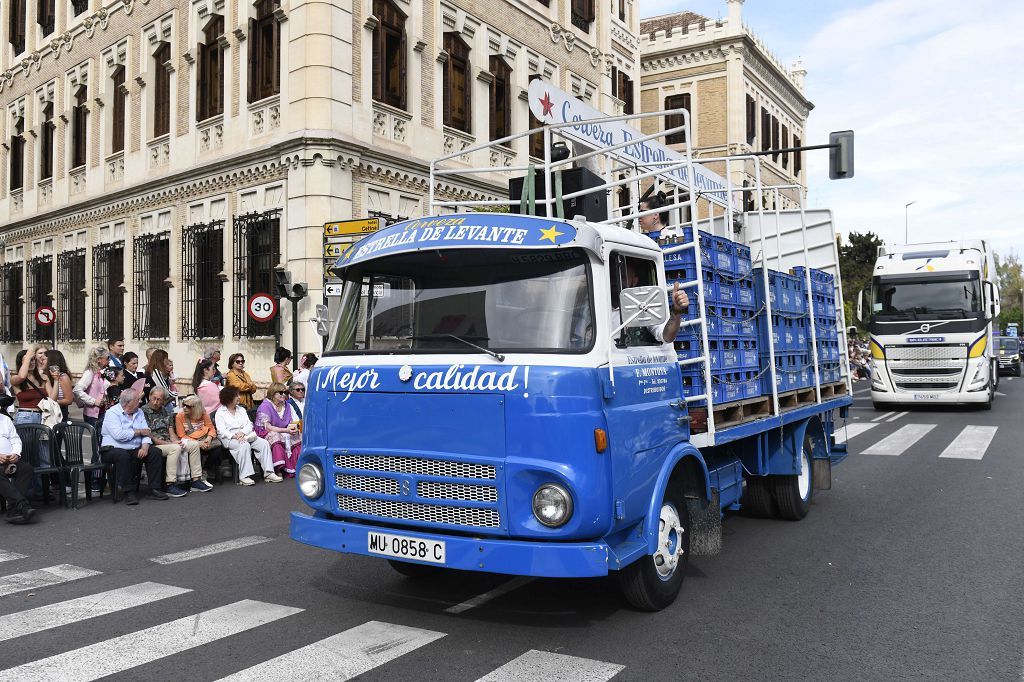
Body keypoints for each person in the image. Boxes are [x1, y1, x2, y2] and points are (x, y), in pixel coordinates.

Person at [99, 389, 168, 505]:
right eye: (137, 400)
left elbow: (147, 432)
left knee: (155, 452)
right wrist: (139, 431)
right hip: (112, 449)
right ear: (128, 403)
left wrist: (145, 447)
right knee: (123, 455)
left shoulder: (139, 412)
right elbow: (119, 435)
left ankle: (154, 489)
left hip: (134, 448)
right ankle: (129, 492)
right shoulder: (112, 413)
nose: (140, 401)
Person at [142, 387, 208, 497]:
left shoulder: (164, 410)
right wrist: (171, 444)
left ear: (163, 400)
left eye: (159, 400)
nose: (156, 402)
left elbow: (171, 431)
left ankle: (196, 480)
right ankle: (170, 484)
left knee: (193, 445)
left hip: (168, 442)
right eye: (154, 398)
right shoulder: (143, 412)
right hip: (155, 444)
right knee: (175, 448)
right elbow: (150, 437)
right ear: (149, 396)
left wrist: (177, 441)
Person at [611, 257, 690, 344]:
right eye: (612, 277)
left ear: (634, 281)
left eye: (622, 277)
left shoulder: (643, 306)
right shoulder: (596, 304)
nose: (615, 281)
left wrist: (677, 311)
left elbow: (667, 336)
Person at [215, 386, 281, 486]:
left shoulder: (241, 409)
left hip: (245, 435)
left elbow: (249, 424)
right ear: (228, 398)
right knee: (244, 445)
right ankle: (244, 476)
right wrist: (235, 436)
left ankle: (269, 473)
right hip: (229, 438)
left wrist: (242, 433)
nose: (239, 397)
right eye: (236, 395)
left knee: (263, 443)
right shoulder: (220, 412)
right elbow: (221, 430)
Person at [0, 398, 35, 524]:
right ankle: (21, 505)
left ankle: (14, 509)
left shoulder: (5, 419)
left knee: (26, 468)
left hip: (10, 459)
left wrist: (16, 453)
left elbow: (15, 439)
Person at [254, 382, 300, 478]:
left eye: (285, 392)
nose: (284, 395)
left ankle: (295, 466)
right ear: (273, 394)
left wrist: (293, 428)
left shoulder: (287, 406)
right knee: (275, 435)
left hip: (284, 430)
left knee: (298, 435)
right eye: (281, 392)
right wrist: (285, 430)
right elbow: (267, 427)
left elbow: (295, 420)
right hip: (266, 432)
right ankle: (278, 468)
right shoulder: (265, 406)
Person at [175, 395, 219, 487]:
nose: (184, 407)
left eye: (188, 406)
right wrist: (198, 443)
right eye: (184, 405)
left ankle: (205, 470)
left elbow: (211, 428)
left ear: (196, 408)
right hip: (191, 441)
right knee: (196, 449)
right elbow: (181, 435)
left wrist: (208, 439)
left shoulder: (203, 414)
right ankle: (198, 476)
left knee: (217, 449)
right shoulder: (180, 416)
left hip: (204, 439)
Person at [11, 346, 51, 425]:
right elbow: (22, 376)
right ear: (21, 363)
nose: (31, 362)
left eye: (33, 360)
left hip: (42, 416)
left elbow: (52, 399)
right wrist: (28, 357)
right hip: (25, 416)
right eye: (28, 360)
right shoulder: (14, 378)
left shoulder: (43, 378)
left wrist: (56, 380)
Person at [74, 347, 111, 428]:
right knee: (97, 439)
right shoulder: (90, 373)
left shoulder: (102, 372)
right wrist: (93, 401)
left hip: (103, 412)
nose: (109, 360)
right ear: (99, 359)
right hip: (93, 415)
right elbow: (77, 390)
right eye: (108, 358)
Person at [44, 350, 75, 421]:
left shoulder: (63, 377)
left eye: (44, 359)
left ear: (51, 361)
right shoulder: (44, 375)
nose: (41, 361)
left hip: (59, 411)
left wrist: (52, 403)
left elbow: (69, 400)